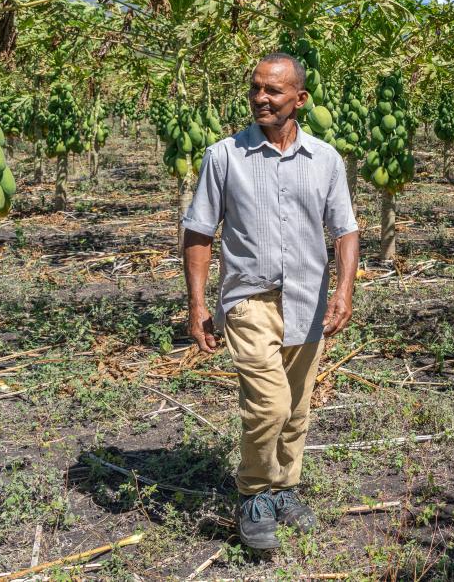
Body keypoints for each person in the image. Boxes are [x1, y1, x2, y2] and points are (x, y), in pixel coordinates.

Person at [181, 52, 360, 550]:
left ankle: (285, 486)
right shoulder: (224, 156)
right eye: (256, 88)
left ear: (299, 99)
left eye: (273, 91)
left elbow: (345, 231)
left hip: (308, 298)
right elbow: (198, 233)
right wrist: (197, 305)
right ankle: (254, 493)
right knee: (269, 406)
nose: (261, 97)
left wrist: (344, 290)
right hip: (248, 300)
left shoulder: (326, 159)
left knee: (297, 408)